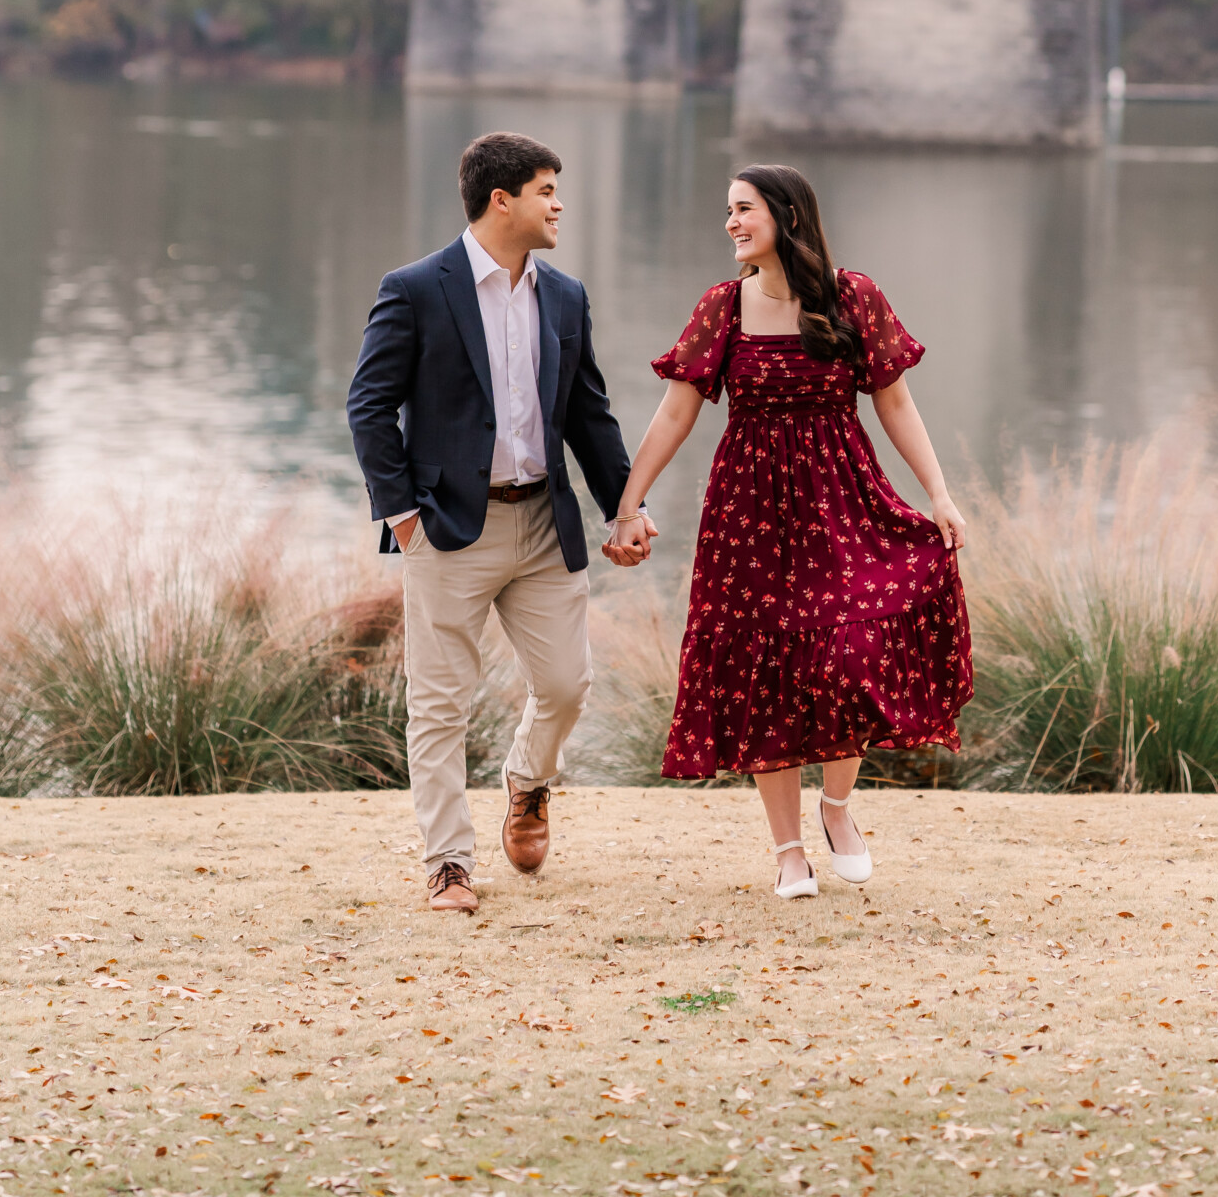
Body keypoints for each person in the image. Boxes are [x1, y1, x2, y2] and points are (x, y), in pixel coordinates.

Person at [610, 162, 971, 898]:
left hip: (840, 496)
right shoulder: (722, 306)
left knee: (850, 650)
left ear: (786, 216)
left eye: (742, 209)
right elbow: (676, 412)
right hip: (748, 509)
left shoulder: (853, 296)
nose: (731, 223)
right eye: (728, 210)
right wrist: (627, 503)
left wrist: (939, 494)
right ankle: (787, 852)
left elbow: (894, 404)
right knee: (760, 668)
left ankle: (836, 808)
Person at [347, 131, 654, 915]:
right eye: (548, 190)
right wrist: (403, 514)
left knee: (565, 683)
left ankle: (526, 782)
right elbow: (369, 406)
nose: (559, 205)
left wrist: (627, 507)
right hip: (449, 527)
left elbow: (589, 416)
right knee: (440, 705)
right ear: (502, 199)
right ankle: (448, 865)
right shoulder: (416, 288)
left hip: (545, 526)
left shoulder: (565, 296)